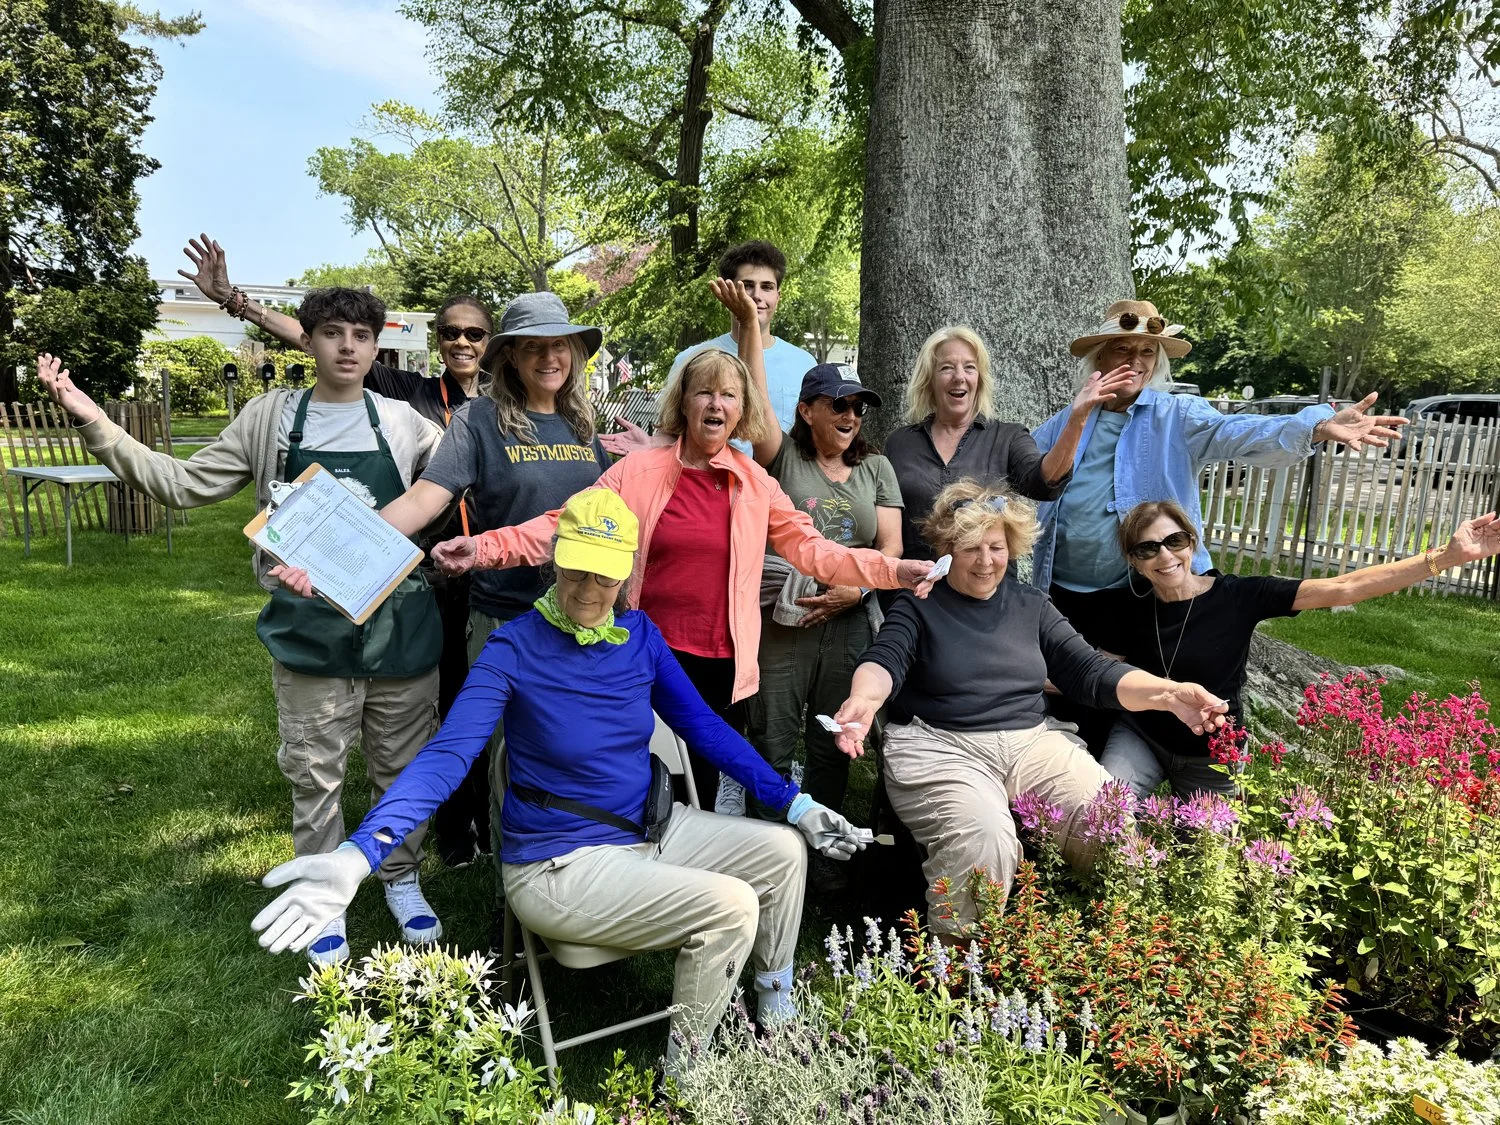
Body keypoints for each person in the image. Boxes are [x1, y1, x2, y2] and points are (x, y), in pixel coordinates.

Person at [250, 489, 870, 1065]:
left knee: (785, 849)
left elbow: (705, 730)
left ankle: (773, 998)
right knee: (730, 904)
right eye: (575, 567)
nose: (588, 586)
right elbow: (447, 756)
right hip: (557, 863)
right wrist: (360, 855)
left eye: (604, 571)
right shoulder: (514, 648)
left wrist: (795, 804)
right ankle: (688, 1075)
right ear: (553, 562)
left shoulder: (639, 636)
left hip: (646, 827)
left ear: (627, 570)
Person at [36, 288, 447, 966]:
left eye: (360, 336)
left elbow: (464, 475)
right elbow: (181, 483)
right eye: (331, 333)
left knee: (400, 768)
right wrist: (90, 417)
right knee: (316, 774)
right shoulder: (270, 419)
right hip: (308, 632)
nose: (347, 346)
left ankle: (402, 876)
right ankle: (321, 897)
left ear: (377, 348)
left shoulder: (406, 422)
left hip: (400, 627)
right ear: (307, 342)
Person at [427, 327, 938, 802]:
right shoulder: (640, 471)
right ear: (684, 403)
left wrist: (894, 571)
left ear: (742, 410)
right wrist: (482, 549)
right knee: (638, 775)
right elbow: (568, 524)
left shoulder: (755, 485)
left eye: (728, 395)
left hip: (723, 661)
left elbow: (816, 552)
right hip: (646, 652)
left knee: (704, 780)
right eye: (704, 393)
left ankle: (696, 881)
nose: (716, 404)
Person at [180, 234, 496, 865]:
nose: (463, 341)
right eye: (452, 331)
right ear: (435, 338)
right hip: (365, 588)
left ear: (493, 344)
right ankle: (365, 864)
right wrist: (234, 303)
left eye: (477, 334)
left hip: (442, 584)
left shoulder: (499, 407)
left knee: (435, 729)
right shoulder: (405, 395)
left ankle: (433, 851)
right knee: (324, 757)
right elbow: (323, 344)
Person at [830, 479, 1229, 938]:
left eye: (996, 547)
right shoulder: (919, 603)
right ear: (946, 549)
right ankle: (958, 967)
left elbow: (1089, 669)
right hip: (940, 744)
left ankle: (1126, 947)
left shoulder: (1031, 604)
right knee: (983, 839)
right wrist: (864, 700)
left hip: (1030, 740)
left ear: (1013, 547)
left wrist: (1167, 693)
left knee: (1111, 821)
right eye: (970, 548)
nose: (985, 562)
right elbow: (885, 659)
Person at [373, 291, 613, 873]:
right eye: (532, 347)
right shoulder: (479, 420)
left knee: (567, 749)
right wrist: (345, 543)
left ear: (575, 354)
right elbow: (424, 499)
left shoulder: (585, 424)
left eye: (559, 345)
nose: (548, 357)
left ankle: (575, 869)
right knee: (508, 756)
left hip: (582, 617)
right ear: (508, 356)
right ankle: (518, 885)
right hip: (508, 617)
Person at [1030, 299, 1408, 646]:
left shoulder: (1178, 415)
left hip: (1148, 588)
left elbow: (1239, 432)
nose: (1137, 360)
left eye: (1148, 351)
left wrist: (1315, 426)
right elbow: (1022, 479)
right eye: (1123, 349)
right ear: (1100, 358)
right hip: (1065, 591)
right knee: (1072, 691)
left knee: (1143, 692)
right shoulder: (1066, 421)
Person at [1095, 499, 1500, 799]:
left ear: (1191, 542)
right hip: (1141, 738)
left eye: (1174, 541)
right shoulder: (1125, 608)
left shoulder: (1239, 596)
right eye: (1147, 549)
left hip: (1212, 750)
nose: (1164, 556)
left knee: (1207, 863)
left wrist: (1447, 557)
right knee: (1104, 811)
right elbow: (1098, 671)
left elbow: (1345, 588)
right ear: (1134, 560)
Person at [708, 278, 901, 837]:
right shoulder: (782, 456)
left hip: (848, 623)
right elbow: (756, 396)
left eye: (859, 407)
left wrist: (857, 590)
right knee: (773, 733)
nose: (851, 415)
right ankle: (770, 846)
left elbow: (890, 548)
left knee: (834, 737)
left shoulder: (877, 469)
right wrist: (750, 325)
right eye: (838, 404)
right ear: (808, 410)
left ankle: (827, 851)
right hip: (784, 622)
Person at [882, 326, 1133, 561]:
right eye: (947, 368)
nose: (959, 377)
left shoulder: (1008, 437)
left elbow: (1044, 482)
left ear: (979, 379)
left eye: (969, 368)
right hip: (914, 593)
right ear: (929, 379)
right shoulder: (900, 443)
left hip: (987, 593)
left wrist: (1077, 419)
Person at [599, 240, 818, 457]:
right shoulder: (693, 358)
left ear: (778, 296)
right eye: (747, 285)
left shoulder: (805, 364)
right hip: (714, 485)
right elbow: (674, 432)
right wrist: (652, 443)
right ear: (726, 290)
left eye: (767, 287)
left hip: (782, 487)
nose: (757, 295)